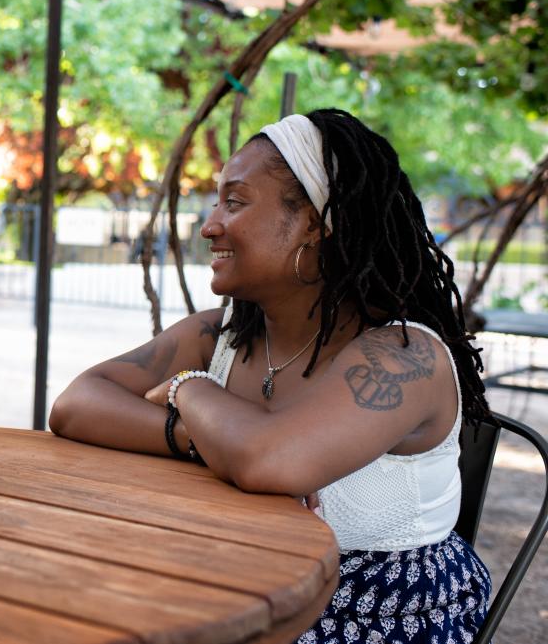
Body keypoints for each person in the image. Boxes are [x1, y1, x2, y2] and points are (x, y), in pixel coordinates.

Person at [50, 109, 491, 644]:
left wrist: (189, 389)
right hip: (232, 580)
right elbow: (75, 405)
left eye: (234, 202)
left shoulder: (402, 355)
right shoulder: (223, 335)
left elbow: (269, 461)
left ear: (314, 221)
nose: (210, 225)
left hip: (365, 613)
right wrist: (197, 437)